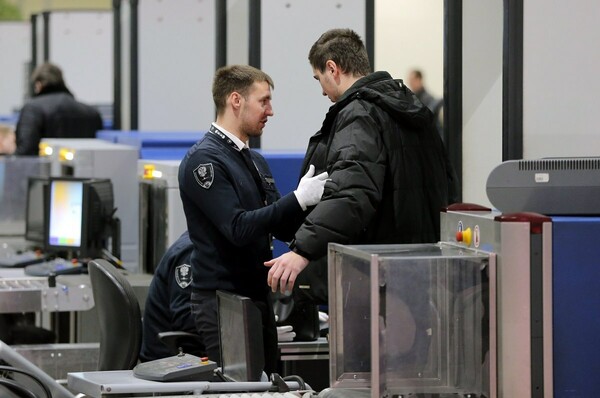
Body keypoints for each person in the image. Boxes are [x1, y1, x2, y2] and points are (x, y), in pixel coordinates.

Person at [265, 28, 455, 302]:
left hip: (377, 275)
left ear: (333, 68)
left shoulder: (358, 113)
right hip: (422, 270)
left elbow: (352, 193)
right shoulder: (411, 107)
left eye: (319, 79)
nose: (321, 91)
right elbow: (447, 182)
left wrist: (302, 250)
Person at [177, 64, 328, 375]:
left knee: (267, 382)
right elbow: (238, 228)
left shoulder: (254, 160)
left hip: (257, 296)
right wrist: (298, 198)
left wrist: (314, 208)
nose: (270, 111)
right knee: (243, 389)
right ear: (236, 100)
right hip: (223, 302)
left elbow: (281, 226)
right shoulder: (204, 161)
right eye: (264, 101)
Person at [139, 231, 203, 362]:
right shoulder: (191, 251)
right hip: (167, 359)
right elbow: (185, 319)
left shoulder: (195, 244)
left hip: (178, 357)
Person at [13, 62, 103, 156]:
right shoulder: (91, 113)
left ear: (39, 85)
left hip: (46, 169)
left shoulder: (33, 109)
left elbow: (26, 151)